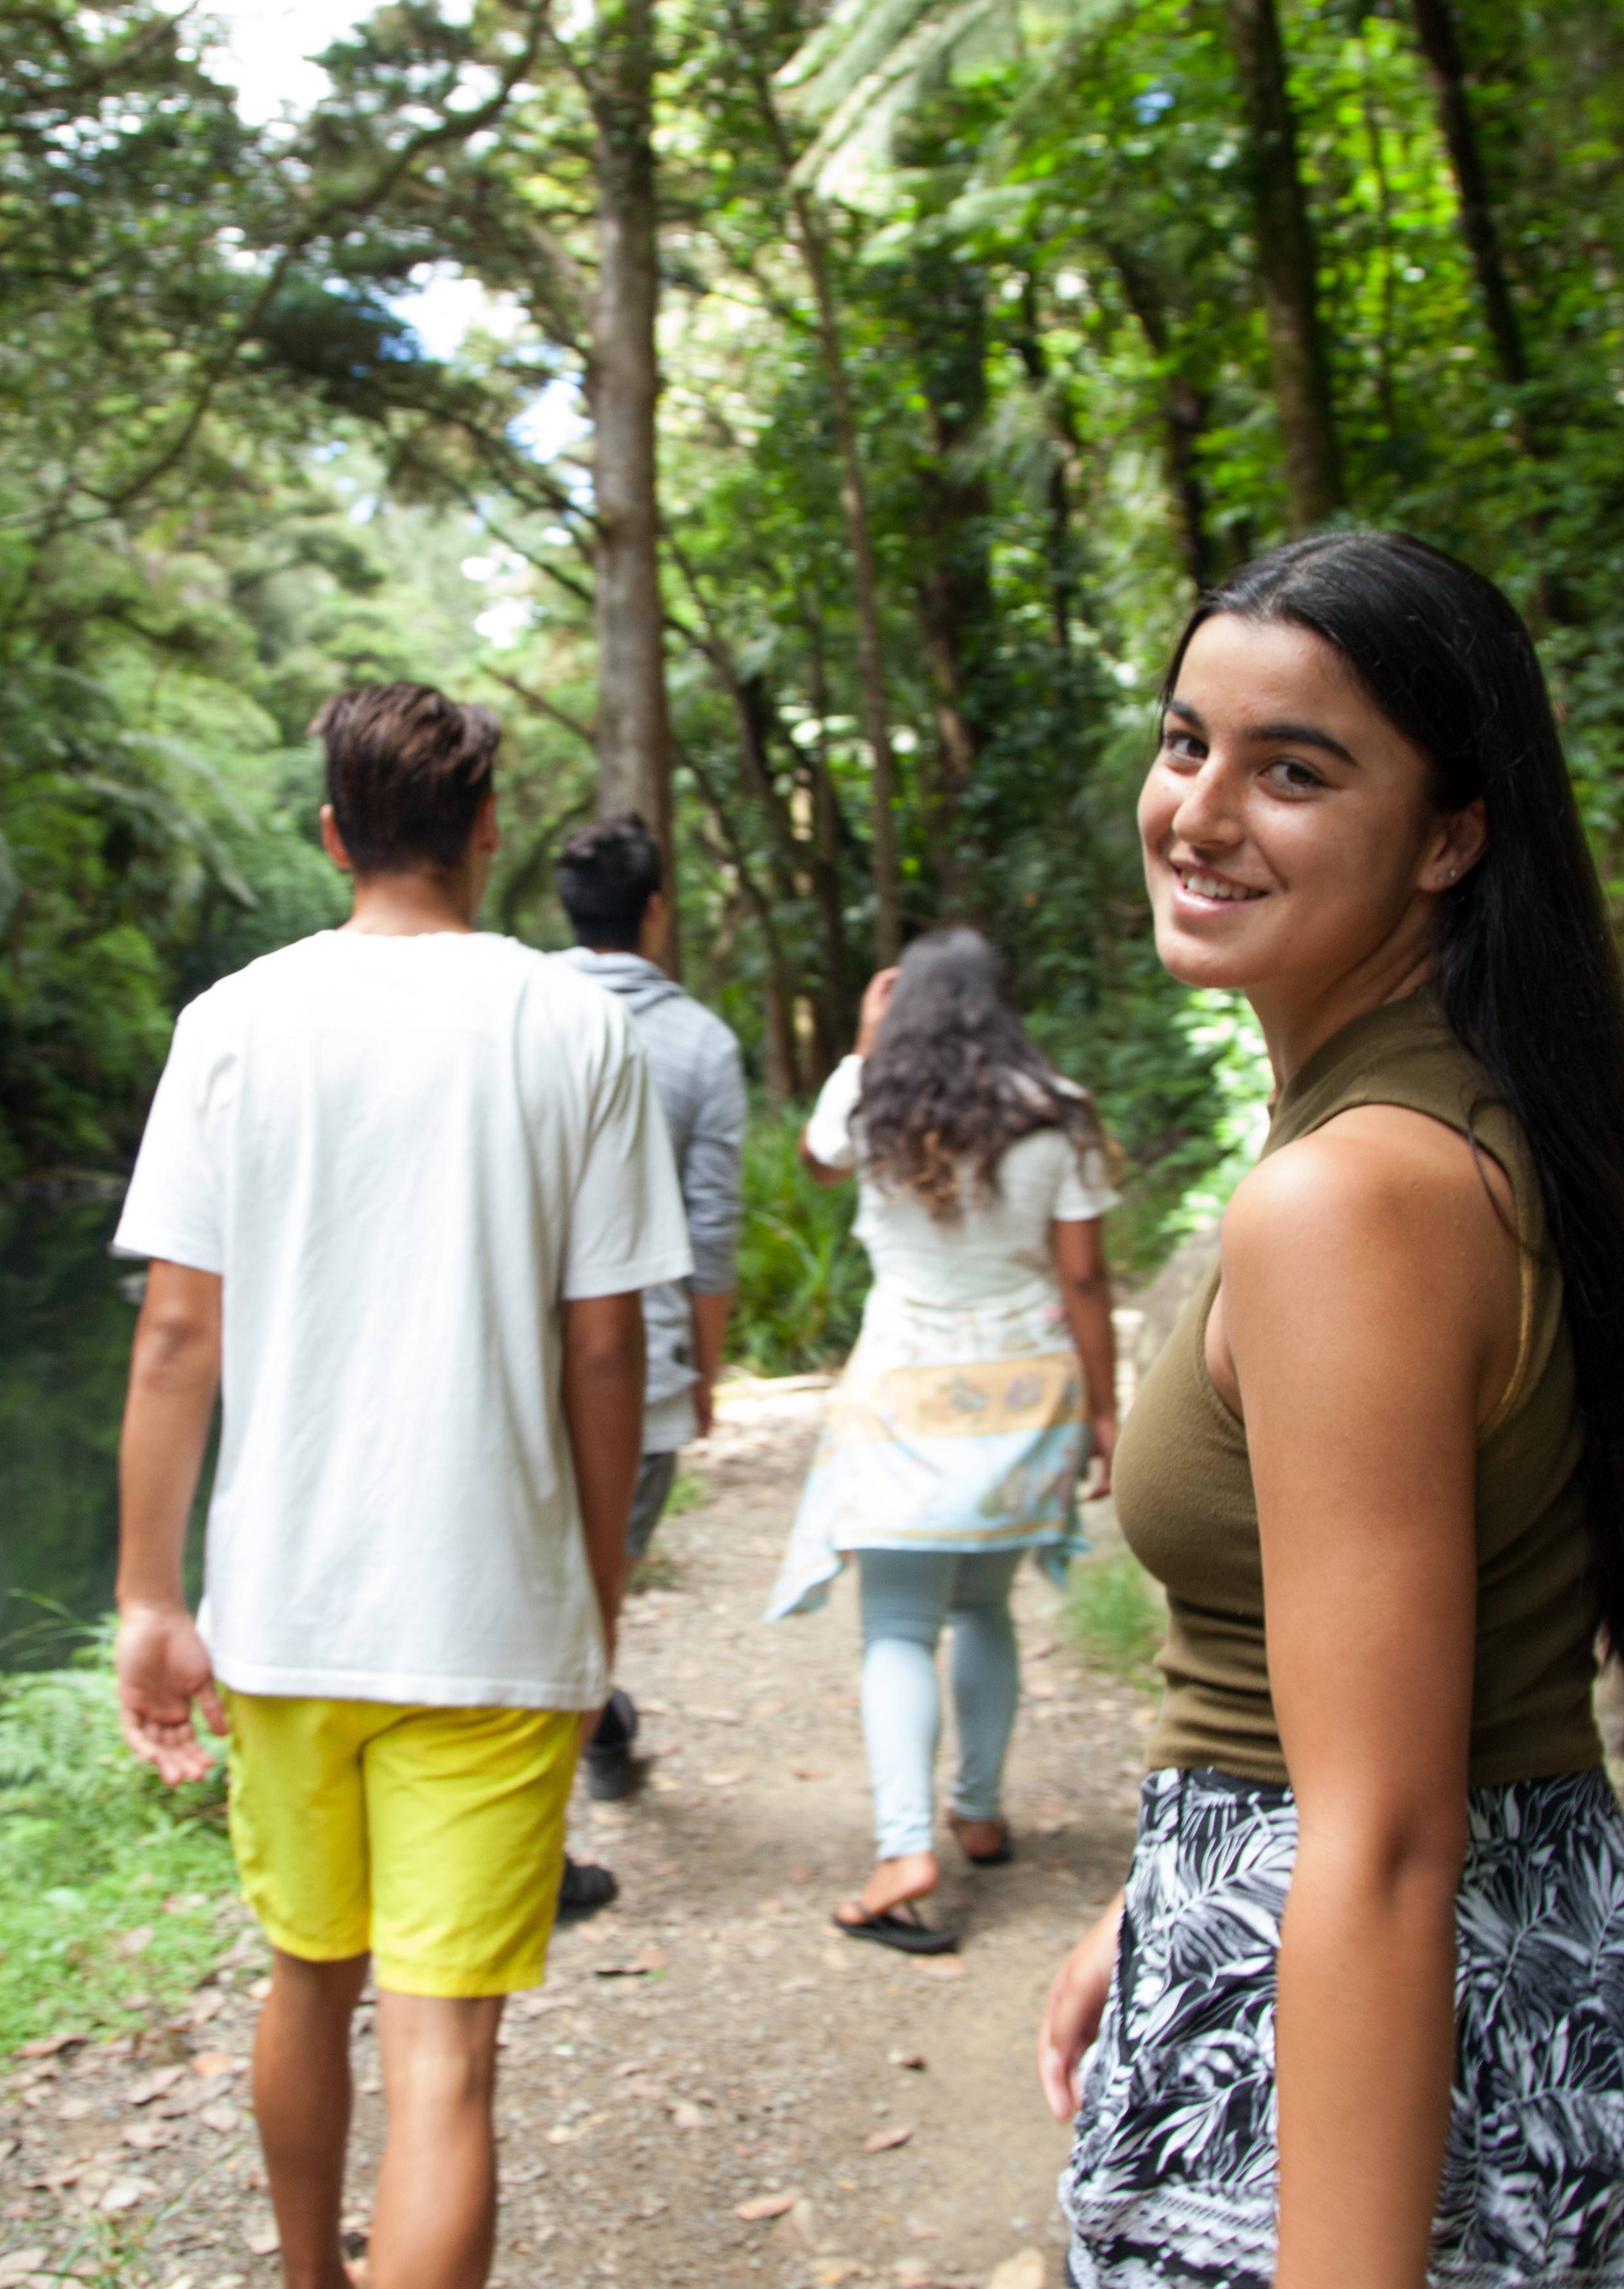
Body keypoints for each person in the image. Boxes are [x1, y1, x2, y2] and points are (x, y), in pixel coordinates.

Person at [1040, 530, 1624, 2289]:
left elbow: (1392, 1836)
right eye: (1185, 743)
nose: (1197, 808)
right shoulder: (1453, 1126)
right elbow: (1389, 1702)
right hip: (1476, 2026)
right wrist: (1170, 1895)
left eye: (1294, 770)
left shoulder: (1351, 1199)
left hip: (1430, 2111)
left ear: (1448, 837)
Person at [106, 683, 688, 2289]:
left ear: (331, 836)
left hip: (285, 1613)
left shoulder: (230, 1023)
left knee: (306, 1980)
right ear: (488, 831)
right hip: (493, 1616)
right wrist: (595, 1591)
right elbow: (604, 1355)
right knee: (445, 2062)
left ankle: (311, 2278)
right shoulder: (577, 1025)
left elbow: (175, 1337)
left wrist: (151, 1597)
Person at [765, 924, 1121, 1957]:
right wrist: (1104, 1410)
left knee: (897, 1627)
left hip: (902, 1397)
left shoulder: (875, 1102)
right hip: (1024, 1395)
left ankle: (903, 1848)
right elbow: (1085, 1282)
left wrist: (863, 1048)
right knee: (985, 1608)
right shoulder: (1060, 1112)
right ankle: (976, 1811)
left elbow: (815, 1162)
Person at [550, 813, 747, 1889]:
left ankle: (588, 1745)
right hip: (645, 1363)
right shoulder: (701, 1044)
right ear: (657, 910)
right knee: (597, 1590)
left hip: (500, 1358)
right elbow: (707, 1230)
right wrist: (705, 1373)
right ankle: (548, 1823)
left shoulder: (510, 1006)